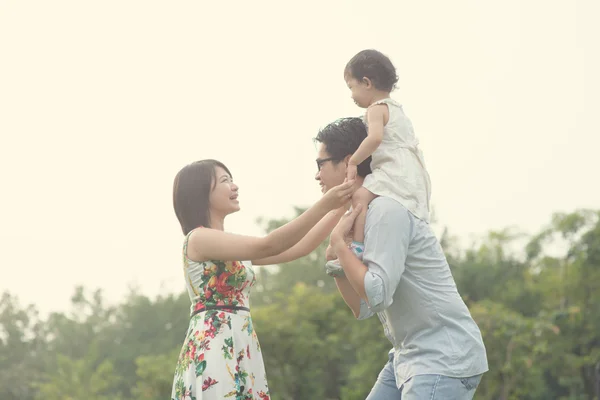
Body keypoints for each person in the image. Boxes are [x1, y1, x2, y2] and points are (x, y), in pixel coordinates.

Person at [314, 118, 489, 399]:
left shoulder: (385, 210)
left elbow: (377, 294)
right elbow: (364, 307)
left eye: (319, 164)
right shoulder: (362, 216)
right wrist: (336, 261)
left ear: (348, 161)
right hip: (405, 357)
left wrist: (341, 247)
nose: (316, 175)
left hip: (441, 357)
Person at [170, 159, 355, 400]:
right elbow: (268, 245)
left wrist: (339, 209)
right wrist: (324, 203)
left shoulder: (227, 245)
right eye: (225, 181)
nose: (234, 186)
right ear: (201, 192)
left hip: (239, 340)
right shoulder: (198, 239)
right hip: (214, 345)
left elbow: (299, 248)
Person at [327, 49, 432, 271]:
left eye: (351, 87)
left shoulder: (376, 109)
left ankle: (357, 247)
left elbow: (375, 138)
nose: (351, 95)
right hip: (412, 173)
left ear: (366, 82)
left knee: (360, 197)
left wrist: (354, 161)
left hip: (393, 171)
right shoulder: (398, 110)